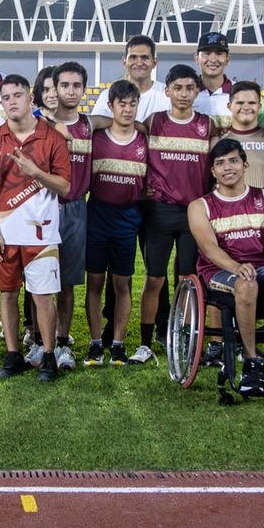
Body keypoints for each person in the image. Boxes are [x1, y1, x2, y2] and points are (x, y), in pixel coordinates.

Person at [188, 138, 264, 396]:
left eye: (233, 161)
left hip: (263, 267)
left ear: (245, 165)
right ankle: (251, 361)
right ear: (213, 171)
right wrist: (236, 267)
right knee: (246, 285)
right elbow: (209, 248)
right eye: (220, 163)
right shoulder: (200, 206)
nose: (227, 167)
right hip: (220, 271)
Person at [0, 74, 72, 383]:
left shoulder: (52, 138)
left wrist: (35, 172)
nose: (12, 102)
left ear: (31, 98)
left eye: (18, 95)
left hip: (42, 233)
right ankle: (13, 354)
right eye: (6, 97)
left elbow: (65, 186)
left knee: (43, 296)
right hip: (6, 234)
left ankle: (48, 355)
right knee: (7, 294)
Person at [138, 64, 215, 364]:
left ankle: (184, 336)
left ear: (197, 91)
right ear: (167, 91)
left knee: (188, 278)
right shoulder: (154, 121)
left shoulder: (207, 125)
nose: (184, 94)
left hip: (193, 213)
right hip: (159, 211)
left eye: (190, 88)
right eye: (178, 88)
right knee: (154, 278)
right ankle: (145, 342)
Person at [84, 81, 148, 366]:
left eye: (132, 104)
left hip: (127, 218)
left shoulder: (144, 140)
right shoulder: (96, 138)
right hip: (98, 216)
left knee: (123, 282)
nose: (127, 109)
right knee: (95, 282)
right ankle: (96, 344)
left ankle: (119, 344)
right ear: (110, 106)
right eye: (122, 104)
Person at [46, 61, 94, 371]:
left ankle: (62, 342)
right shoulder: (41, 124)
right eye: (65, 85)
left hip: (76, 207)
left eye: (77, 85)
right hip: (44, 206)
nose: (71, 91)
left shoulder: (90, 124)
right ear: (55, 88)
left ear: (84, 89)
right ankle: (39, 340)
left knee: (67, 281)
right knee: (39, 279)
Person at [90, 35, 168, 122]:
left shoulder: (168, 95)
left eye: (145, 58)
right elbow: (95, 126)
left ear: (154, 62)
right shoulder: (107, 96)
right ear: (124, 61)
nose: (139, 63)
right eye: (133, 57)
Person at [221, 81, 264, 189]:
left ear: (259, 106)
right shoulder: (218, 139)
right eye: (240, 103)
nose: (246, 107)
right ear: (229, 106)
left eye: (252, 103)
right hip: (228, 199)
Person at [192, 32, 237, 126]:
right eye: (207, 53)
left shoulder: (238, 92)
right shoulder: (187, 93)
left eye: (219, 53)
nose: (213, 60)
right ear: (197, 58)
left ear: (228, 59)